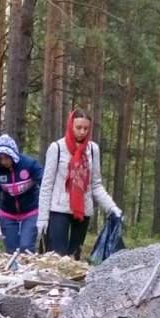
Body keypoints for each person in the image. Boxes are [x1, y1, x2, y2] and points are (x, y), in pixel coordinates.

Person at [38, 108, 122, 259]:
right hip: (59, 210)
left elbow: (95, 184)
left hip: (83, 211)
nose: (82, 132)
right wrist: (42, 218)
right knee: (57, 257)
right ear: (71, 126)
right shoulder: (57, 148)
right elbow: (46, 185)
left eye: (86, 128)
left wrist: (112, 208)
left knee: (74, 257)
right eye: (78, 128)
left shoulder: (93, 149)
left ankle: (72, 283)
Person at [0, 133, 43, 253]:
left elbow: (45, 185)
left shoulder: (30, 164)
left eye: (6, 158)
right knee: (12, 251)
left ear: (13, 154)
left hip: (31, 211)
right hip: (8, 214)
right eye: (0, 159)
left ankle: (29, 270)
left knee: (26, 248)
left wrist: (45, 214)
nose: (4, 162)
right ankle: (14, 271)